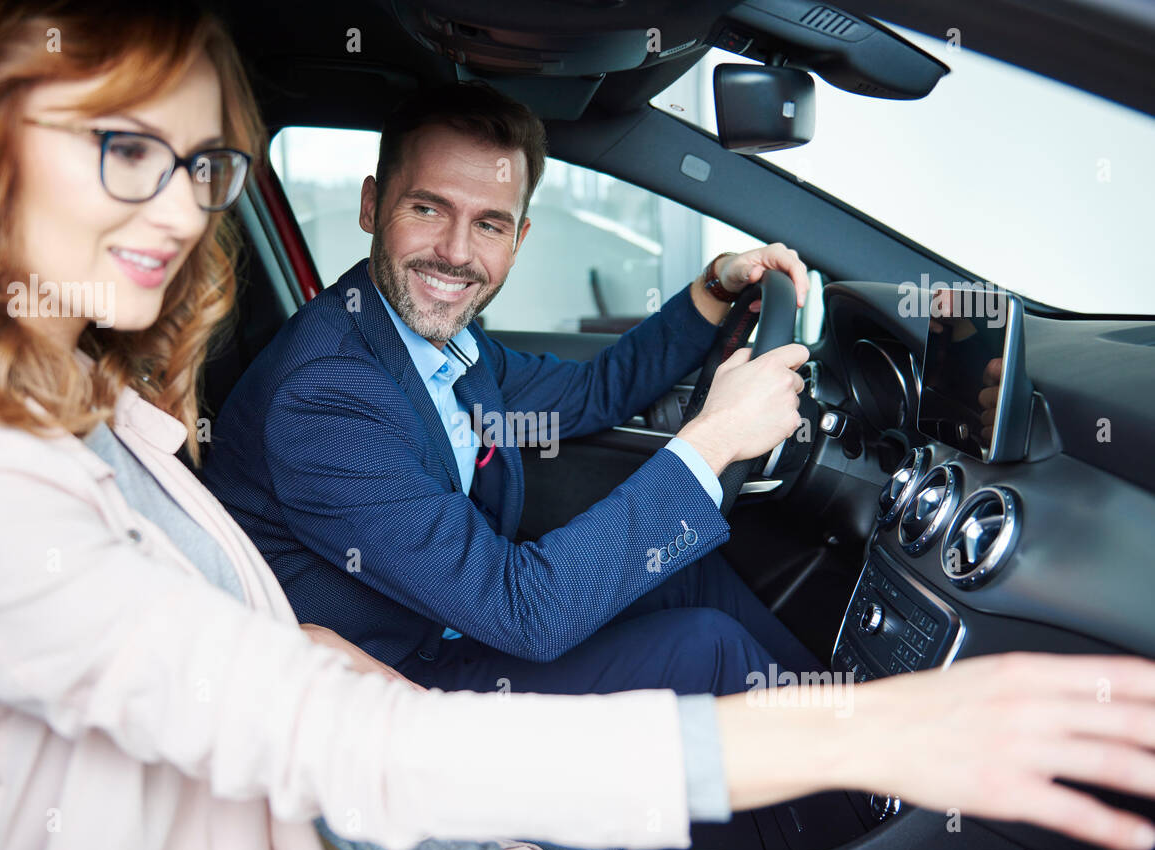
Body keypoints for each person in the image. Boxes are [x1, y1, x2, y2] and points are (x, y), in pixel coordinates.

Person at [0, 0, 1154, 850]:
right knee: (704, 634)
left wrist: (703, 309)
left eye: (202, 167)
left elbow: (566, 398)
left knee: (696, 587)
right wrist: (863, 727)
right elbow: (425, 677)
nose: (178, 210)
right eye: (120, 148)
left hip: (346, 729)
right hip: (365, 751)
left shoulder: (121, 389)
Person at [201, 81, 823, 698]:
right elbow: (523, 611)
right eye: (427, 209)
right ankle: (863, 778)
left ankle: (848, 722)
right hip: (391, 683)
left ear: (518, 240)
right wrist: (716, 439)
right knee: (707, 649)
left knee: (690, 578)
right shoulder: (326, 395)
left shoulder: (447, 347)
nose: (454, 253)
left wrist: (715, 286)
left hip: (453, 621)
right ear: (371, 206)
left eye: (490, 225)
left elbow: (593, 391)